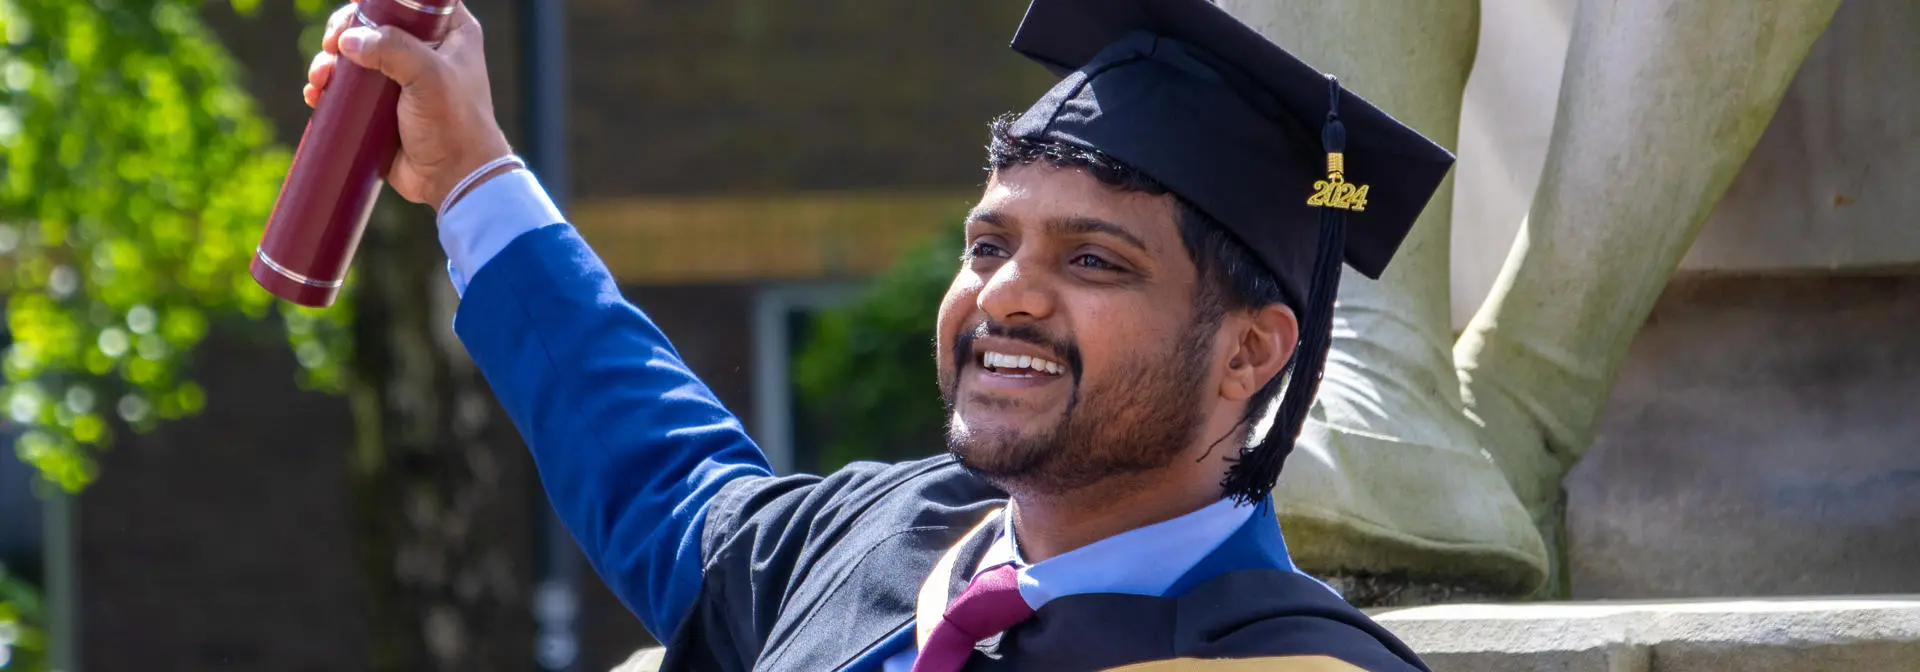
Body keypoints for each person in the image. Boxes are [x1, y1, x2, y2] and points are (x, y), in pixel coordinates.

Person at [306, 0, 1452, 669]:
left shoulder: (1284, 664)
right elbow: (657, 469)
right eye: (990, 245)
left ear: (1251, 351)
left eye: (1095, 261)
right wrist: (471, 176)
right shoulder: (882, 542)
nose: (1008, 296)